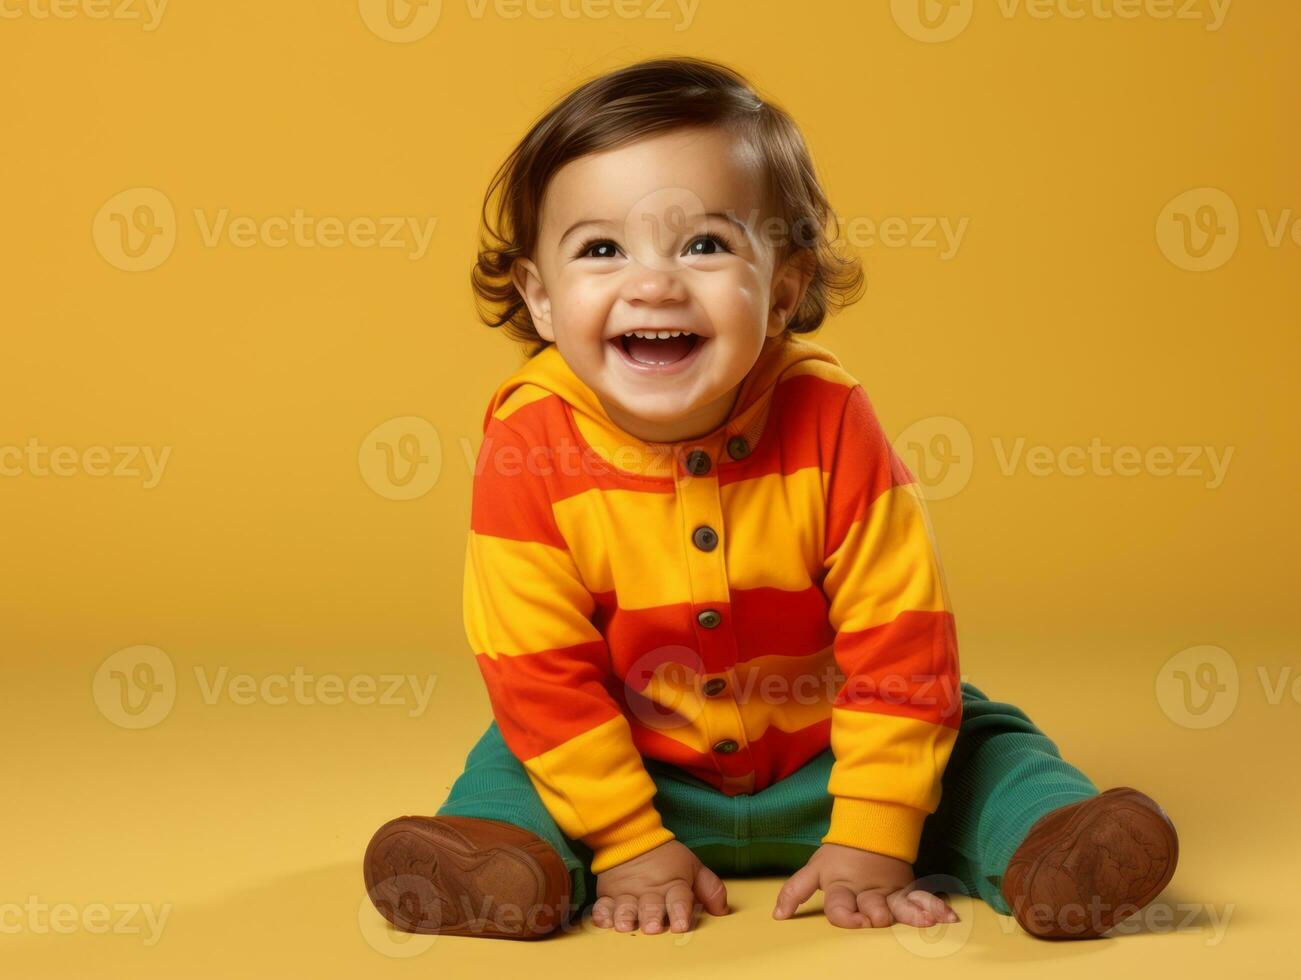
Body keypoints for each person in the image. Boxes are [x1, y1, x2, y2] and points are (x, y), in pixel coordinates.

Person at [363, 55, 1177, 942]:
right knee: (515, 757)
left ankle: (1053, 847)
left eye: (704, 245)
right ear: (541, 299)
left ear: (783, 291)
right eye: (600, 250)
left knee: (984, 744)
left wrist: (873, 831)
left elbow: (901, 631)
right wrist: (629, 843)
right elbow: (537, 668)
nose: (654, 283)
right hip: (633, 764)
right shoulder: (531, 447)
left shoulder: (830, 421)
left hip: (841, 752)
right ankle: (497, 865)